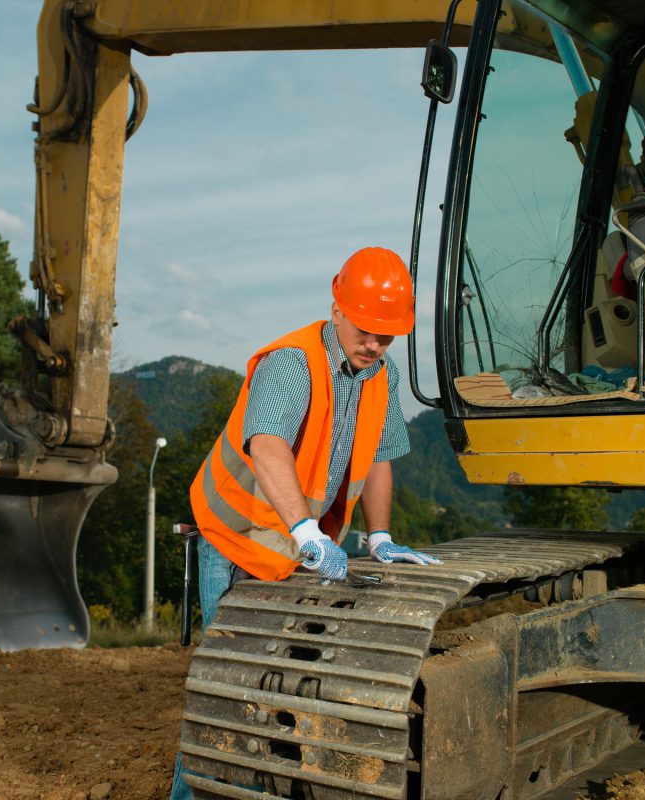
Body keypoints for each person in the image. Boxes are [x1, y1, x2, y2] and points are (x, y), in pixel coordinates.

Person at [169, 246, 442, 800]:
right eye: (368, 330)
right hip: (237, 539)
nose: (376, 345)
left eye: (388, 336)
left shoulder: (378, 374)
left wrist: (382, 537)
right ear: (337, 308)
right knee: (229, 690)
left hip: (295, 545)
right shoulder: (293, 363)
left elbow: (380, 455)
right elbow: (267, 445)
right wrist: (306, 531)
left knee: (276, 684)